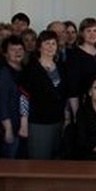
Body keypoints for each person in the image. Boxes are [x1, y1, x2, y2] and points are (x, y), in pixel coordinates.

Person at [21, 30, 69, 160]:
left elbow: (65, 95)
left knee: (57, 159)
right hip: (39, 122)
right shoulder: (31, 68)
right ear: (39, 46)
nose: (51, 47)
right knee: (40, 160)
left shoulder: (61, 67)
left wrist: (66, 116)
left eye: (53, 43)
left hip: (58, 120)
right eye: (47, 43)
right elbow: (24, 97)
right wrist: (24, 122)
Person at [66, 18, 96, 118]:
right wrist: (77, 115)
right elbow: (72, 88)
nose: (92, 34)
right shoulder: (75, 55)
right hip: (83, 106)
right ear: (82, 33)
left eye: (95, 30)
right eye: (88, 31)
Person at [0, 35, 27, 158]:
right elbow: (1, 102)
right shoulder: (5, 73)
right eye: (13, 50)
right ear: (5, 54)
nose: (17, 52)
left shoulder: (25, 70)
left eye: (20, 49)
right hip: (10, 125)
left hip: (24, 124)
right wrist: (7, 128)